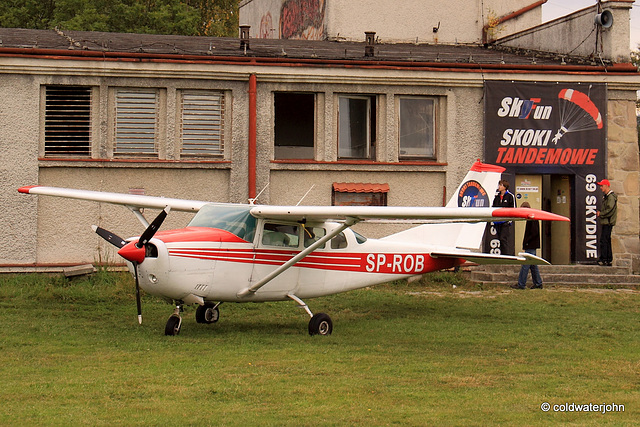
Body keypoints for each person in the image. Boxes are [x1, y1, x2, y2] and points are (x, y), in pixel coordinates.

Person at [512, 202, 542, 289]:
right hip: (532, 244)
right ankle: (538, 283)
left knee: (525, 265)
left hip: (530, 245)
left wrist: (526, 244)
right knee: (533, 265)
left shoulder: (532, 219)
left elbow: (532, 233)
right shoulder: (533, 218)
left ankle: (521, 284)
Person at [492, 179, 516, 255]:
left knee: (503, 239)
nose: (499, 187)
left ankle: (506, 255)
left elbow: (513, 209)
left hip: (505, 222)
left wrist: (509, 220)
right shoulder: (496, 197)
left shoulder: (510, 196)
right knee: (499, 239)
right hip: (497, 222)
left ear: (505, 187)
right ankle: (502, 255)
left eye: (500, 185)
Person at [596, 178, 617, 266]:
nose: (600, 187)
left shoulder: (610, 197)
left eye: (601, 186)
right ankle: (608, 258)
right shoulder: (607, 196)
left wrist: (601, 214)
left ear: (606, 186)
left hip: (608, 222)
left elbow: (609, 209)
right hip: (606, 221)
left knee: (604, 240)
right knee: (606, 240)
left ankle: (604, 258)